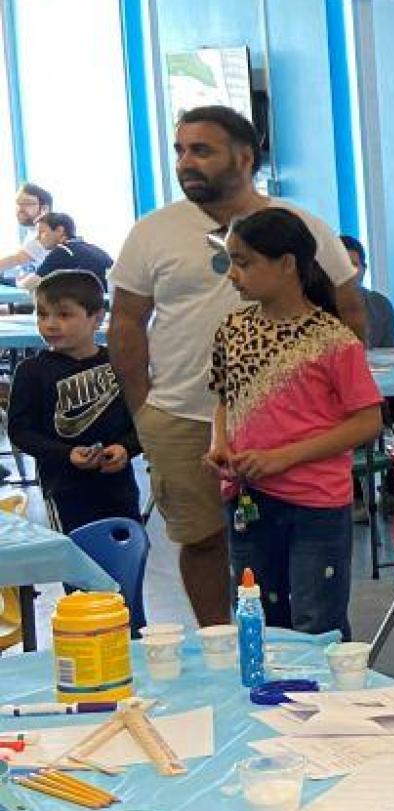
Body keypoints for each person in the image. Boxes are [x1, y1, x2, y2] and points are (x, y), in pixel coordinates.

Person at [112, 105, 363, 627]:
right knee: (202, 540)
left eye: (202, 150)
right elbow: (127, 322)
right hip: (183, 415)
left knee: (289, 549)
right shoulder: (152, 232)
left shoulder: (299, 226)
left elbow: (348, 307)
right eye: (180, 150)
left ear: (245, 157)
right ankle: (220, 648)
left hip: (287, 427)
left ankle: (300, 659)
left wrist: (336, 399)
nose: (186, 162)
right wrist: (144, 413)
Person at [206, 208, 383, 638]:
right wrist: (220, 443)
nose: (232, 275)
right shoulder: (232, 328)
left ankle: (325, 706)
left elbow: (367, 421)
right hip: (247, 499)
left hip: (314, 504)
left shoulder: (333, 340)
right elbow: (224, 398)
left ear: (287, 264)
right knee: (258, 621)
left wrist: (282, 458)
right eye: (230, 262)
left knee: (316, 626)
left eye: (244, 262)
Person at [6, 271, 141, 533]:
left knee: (125, 557)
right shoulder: (31, 371)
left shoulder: (119, 364)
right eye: (42, 315)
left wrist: (127, 448)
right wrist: (66, 454)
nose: (50, 324)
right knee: (78, 561)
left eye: (64, 315)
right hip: (64, 487)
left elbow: (142, 419)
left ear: (97, 317)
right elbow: (20, 431)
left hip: (118, 486)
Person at [20, 213, 113, 291]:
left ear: (60, 231)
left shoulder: (63, 251)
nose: (38, 238)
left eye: (42, 232)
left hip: (86, 305)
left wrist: (18, 282)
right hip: (105, 305)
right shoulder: (95, 249)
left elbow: (29, 285)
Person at [338, 235, 394, 350]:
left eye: (353, 265)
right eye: (341, 265)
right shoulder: (314, 306)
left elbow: (392, 356)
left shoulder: (381, 305)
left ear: (364, 270)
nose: (347, 272)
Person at [0, 183, 54, 282]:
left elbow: (17, 259)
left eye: (27, 203)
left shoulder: (50, 231)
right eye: (18, 203)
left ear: (44, 209)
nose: (20, 208)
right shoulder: (32, 232)